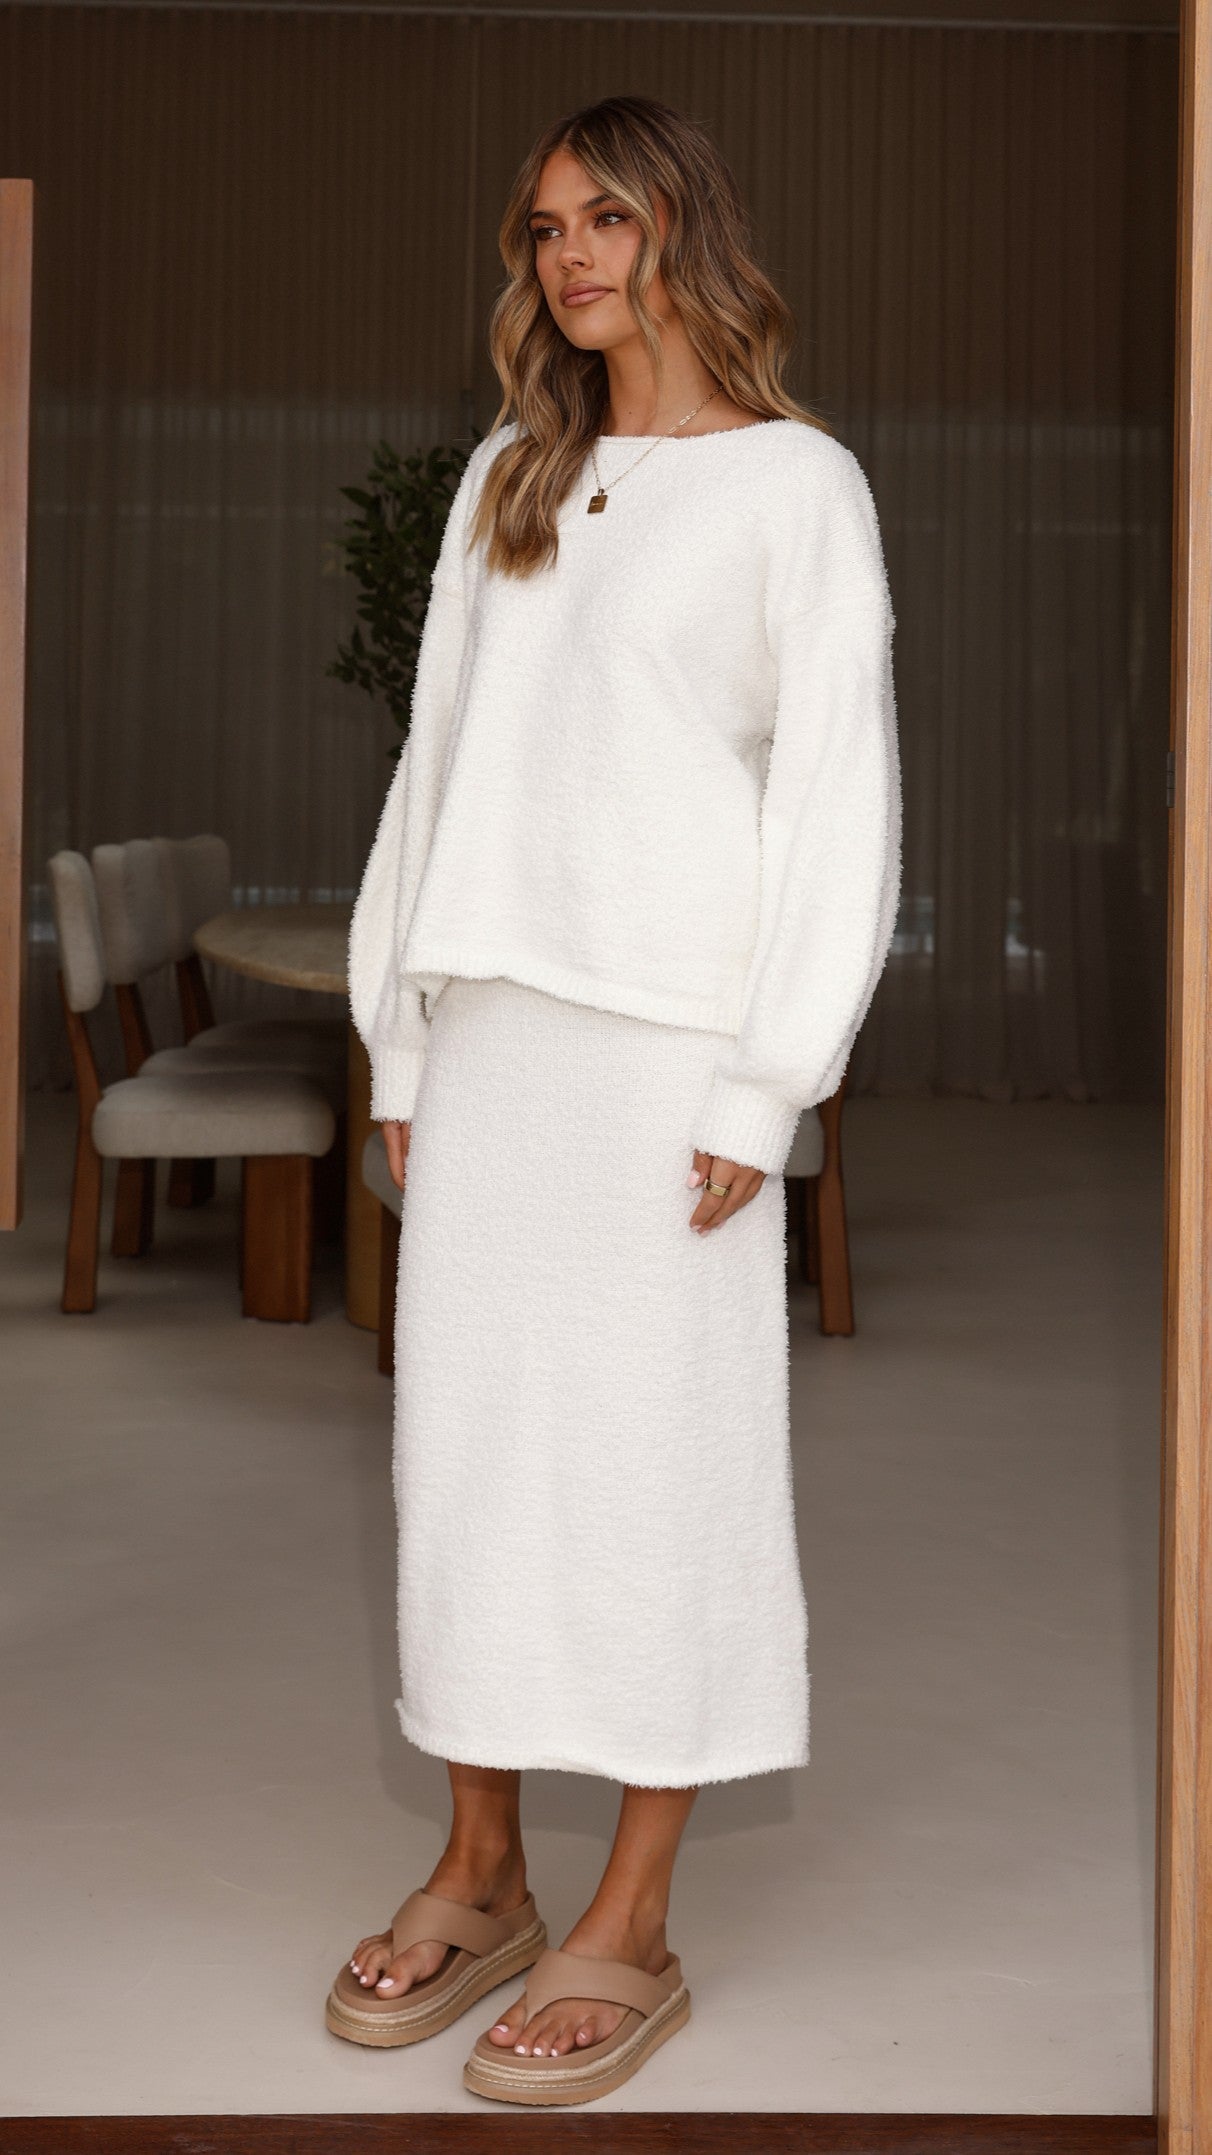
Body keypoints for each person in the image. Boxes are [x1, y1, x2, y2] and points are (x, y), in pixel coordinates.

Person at [327, 91, 902, 2107]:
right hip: (493, 1039)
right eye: (545, 227)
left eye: (607, 219)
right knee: (471, 1460)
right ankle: (482, 1862)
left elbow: (837, 798)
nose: (569, 255)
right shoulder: (512, 476)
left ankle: (634, 1913)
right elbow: (436, 765)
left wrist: (767, 1084)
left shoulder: (798, 488)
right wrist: (404, 1037)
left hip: (670, 1059)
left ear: (684, 234)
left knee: (661, 1467)